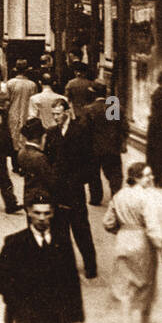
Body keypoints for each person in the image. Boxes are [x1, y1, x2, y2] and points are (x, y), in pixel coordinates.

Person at [0, 196, 84, 323]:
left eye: (46, 213)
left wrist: (77, 317)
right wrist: (17, 305)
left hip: (57, 318)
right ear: (29, 212)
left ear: (53, 213)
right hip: (28, 318)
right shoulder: (15, 243)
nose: (42, 218)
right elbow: (3, 279)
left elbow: (72, 282)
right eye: (37, 213)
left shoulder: (62, 243)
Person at [103, 163, 160, 323]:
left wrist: (122, 231)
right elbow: (152, 227)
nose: (151, 178)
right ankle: (143, 322)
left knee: (125, 287)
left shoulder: (119, 195)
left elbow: (108, 222)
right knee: (145, 284)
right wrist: (160, 246)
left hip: (123, 241)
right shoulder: (146, 197)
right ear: (136, 178)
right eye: (146, 176)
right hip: (142, 243)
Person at [44, 96, 98, 278]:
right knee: (60, 229)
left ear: (67, 113)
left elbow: (90, 161)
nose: (55, 117)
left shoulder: (80, 131)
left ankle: (90, 265)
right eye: (53, 114)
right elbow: (48, 159)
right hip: (57, 189)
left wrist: (79, 180)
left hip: (74, 189)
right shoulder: (51, 133)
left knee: (80, 228)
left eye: (58, 114)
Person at [82, 82, 126, 207]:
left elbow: (84, 130)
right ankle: (116, 196)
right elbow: (121, 127)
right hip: (112, 146)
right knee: (114, 173)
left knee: (94, 174)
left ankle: (95, 198)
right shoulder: (113, 107)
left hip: (93, 148)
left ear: (93, 93)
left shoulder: (89, 109)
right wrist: (122, 142)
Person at [3, 60, 38, 166]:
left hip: (13, 113)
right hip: (27, 114)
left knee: (14, 138)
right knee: (25, 138)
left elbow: (5, 101)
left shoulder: (10, 83)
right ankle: (24, 164)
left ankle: (15, 165)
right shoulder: (32, 85)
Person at [15, 119, 56, 206]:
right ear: (39, 138)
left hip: (28, 195)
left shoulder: (22, 152)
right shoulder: (39, 157)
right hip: (41, 198)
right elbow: (50, 180)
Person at [147, 69, 162, 182]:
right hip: (159, 129)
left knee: (156, 154)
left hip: (156, 128)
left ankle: (157, 177)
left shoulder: (157, 92)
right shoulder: (160, 93)